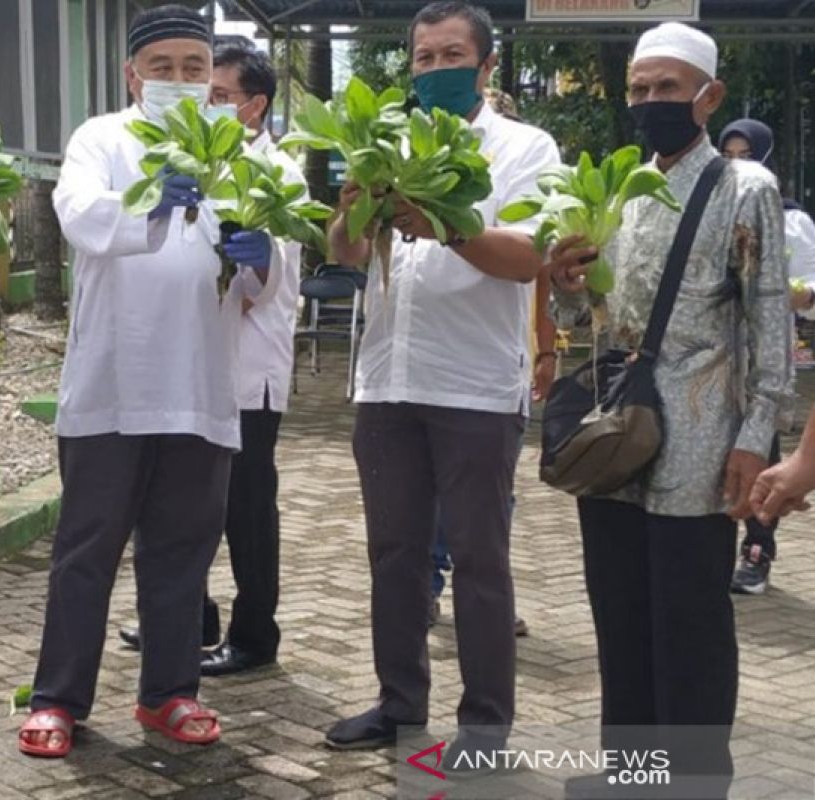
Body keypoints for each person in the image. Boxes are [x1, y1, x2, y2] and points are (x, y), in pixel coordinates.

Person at [18, 5, 281, 758]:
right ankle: (59, 698)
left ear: (212, 79)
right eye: (161, 67)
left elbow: (265, 283)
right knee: (87, 548)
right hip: (112, 380)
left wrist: (262, 255)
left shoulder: (241, 150)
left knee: (182, 549)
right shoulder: (101, 139)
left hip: (201, 384)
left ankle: (169, 693)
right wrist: (150, 203)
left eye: (194, 69)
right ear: (132, 74)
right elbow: (79, 218)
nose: (178, 80)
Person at [547, 23, 791, 798]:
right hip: (619, 429)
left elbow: (769, 329)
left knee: (688, 621)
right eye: (641, 90)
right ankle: (631, 775)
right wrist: (567, 281)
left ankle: (691, 783)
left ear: (709, 97)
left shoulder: (742, 188)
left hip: (701, 433)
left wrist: (757, 437)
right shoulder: (622, 186)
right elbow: (593, 311)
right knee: (619, 613)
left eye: (669, 88)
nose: (653, 102)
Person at [322, 1, 561, 773]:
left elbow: (532, 258)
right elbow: (347, 254)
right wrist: (357, 201)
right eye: (422, 58)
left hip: (476, 388)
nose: (434, 69)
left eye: (451, 55)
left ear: (486, 67)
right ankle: (399, 704)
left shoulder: (526, 148)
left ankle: (485, 727)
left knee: (480, 560)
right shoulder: (385, 143)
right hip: (389, 381)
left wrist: (443, 223)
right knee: (394, 554)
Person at [117, 35, 305, 677]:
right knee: (176, 502)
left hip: (246, 369)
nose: (205, 104)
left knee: (245, 509)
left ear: (253, 109)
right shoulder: (191, 162)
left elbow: (258, 288)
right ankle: (186, 620)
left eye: (219, 95)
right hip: (188, 367)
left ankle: (256, 634)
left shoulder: (273, 172)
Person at [428, 87, 554, 638]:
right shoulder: (424, 160)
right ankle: (430, 587)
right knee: (431, 498)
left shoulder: (528, 165)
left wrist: (547, 350)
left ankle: (485, 597)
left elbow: (540, 274)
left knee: (493, 499)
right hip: (429, 369)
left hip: (502, 364)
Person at [718, 118, 811, 594]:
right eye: (729, 155)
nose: (738, 165)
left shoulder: (790, 218)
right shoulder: (709, 208)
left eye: (747, 155)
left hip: (765, 354)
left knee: (763, 446)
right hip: (717, 360)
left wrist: (795, 296)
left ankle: (757, 551)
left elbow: (810, 284)